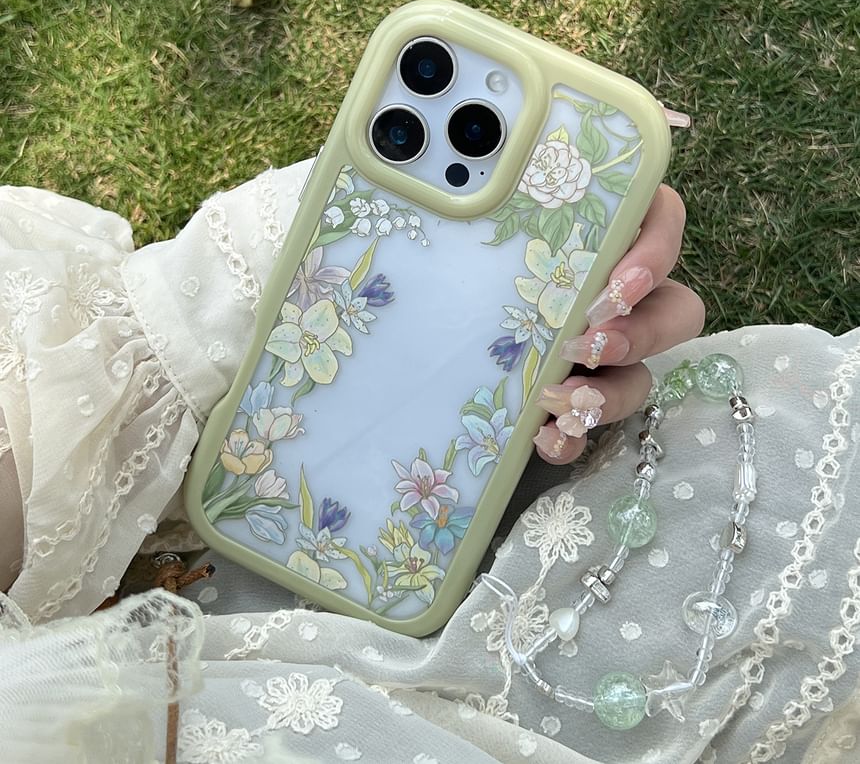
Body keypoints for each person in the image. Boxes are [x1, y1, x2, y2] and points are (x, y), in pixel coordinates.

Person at [0, 161, 857, 763]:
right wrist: (200, 315)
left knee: (752, 479)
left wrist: (231, 294)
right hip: (212, 669)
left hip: (261, 495)